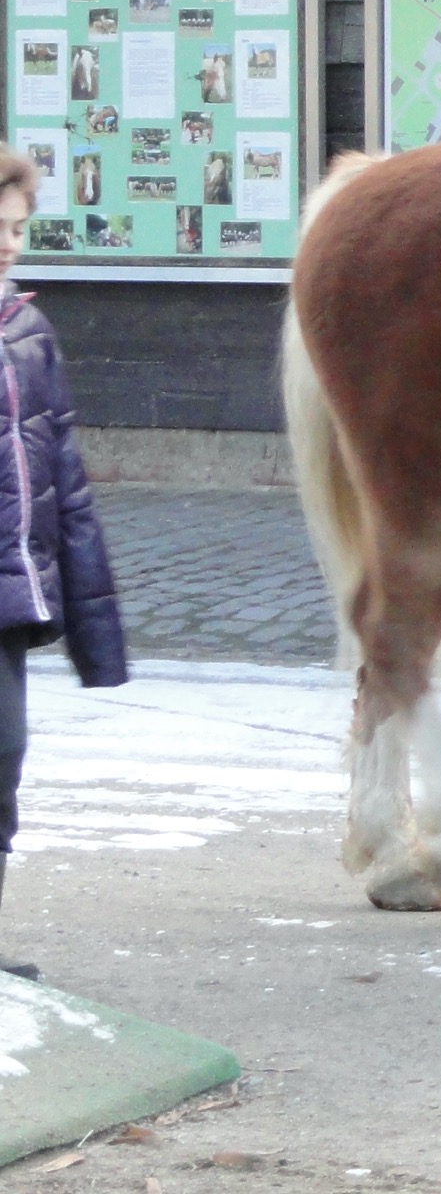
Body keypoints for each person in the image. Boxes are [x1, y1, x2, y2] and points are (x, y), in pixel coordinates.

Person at [0, 147, 126, 978]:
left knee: (3, 758)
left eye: (16, 227)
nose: (10, 243)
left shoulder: (28, 331)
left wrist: (95, 630)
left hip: (7, 596)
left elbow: (67, 484)